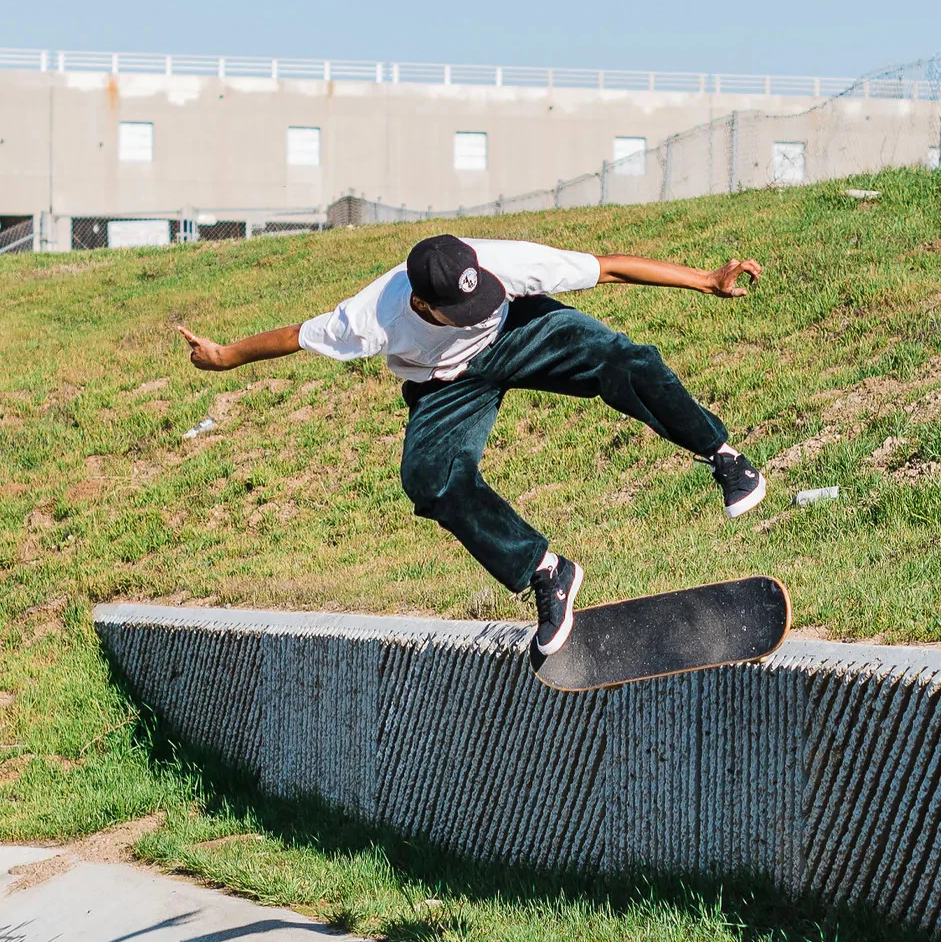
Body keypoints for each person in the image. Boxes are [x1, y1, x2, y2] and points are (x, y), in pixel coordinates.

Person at [178, 234, 765, 657]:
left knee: (623, 359)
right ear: (420, 304)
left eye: (478, 296)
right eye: (458, 311)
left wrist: (705, 280)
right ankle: (546, 572)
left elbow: (608, 269)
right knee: (430, 478)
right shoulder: (368, 317)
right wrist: (223, 356)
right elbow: (293, 337)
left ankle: (725, 457)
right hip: (444, 384)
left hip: (520, 332)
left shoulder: (505, 264)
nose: (471, 311)